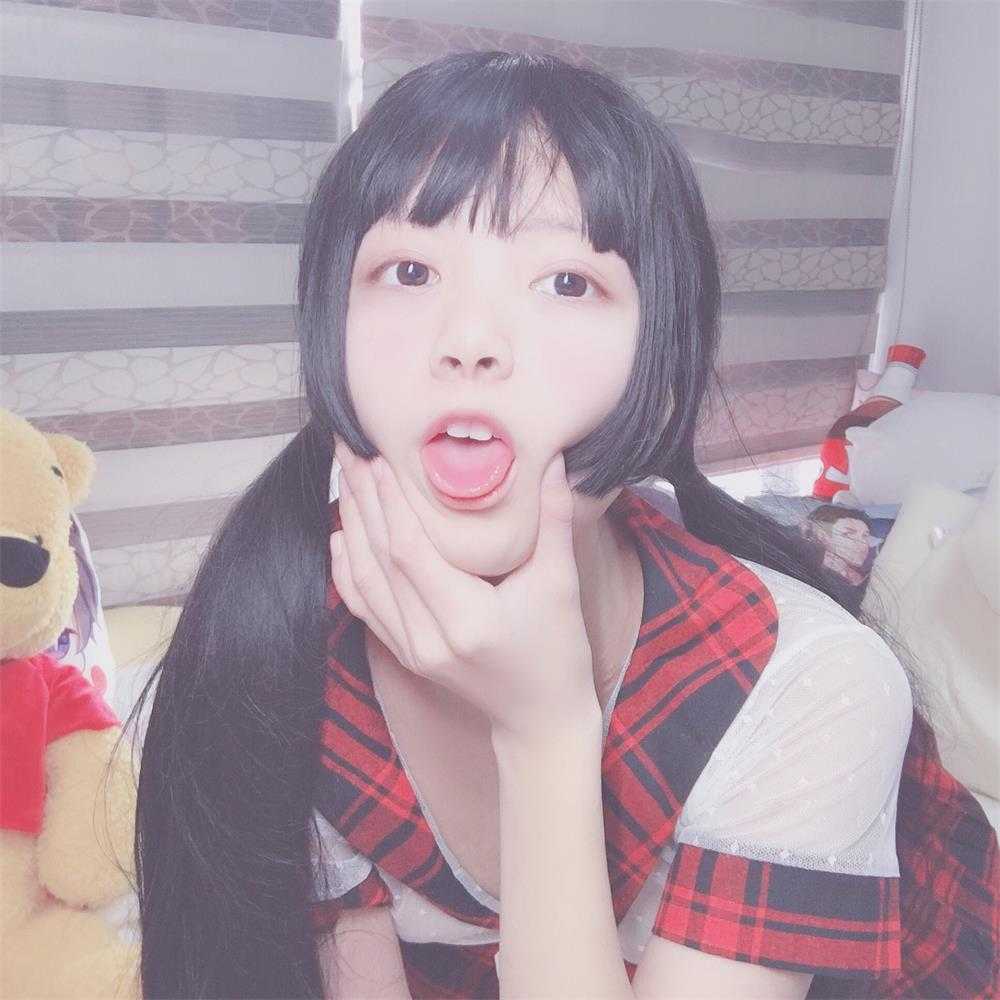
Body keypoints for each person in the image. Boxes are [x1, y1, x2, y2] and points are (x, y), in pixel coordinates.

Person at [127, 51, 998, 999]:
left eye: (569, 283)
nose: (469, 340)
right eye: (409, 270)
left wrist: (543, 731)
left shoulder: (811, 682)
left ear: (663, 380)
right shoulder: (277, 647)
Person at [800, 506, 877, 590]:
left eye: (865, 536)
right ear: (822, 536)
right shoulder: (810, 576)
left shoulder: (866, 572)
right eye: (848, 534)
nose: (863, 543)